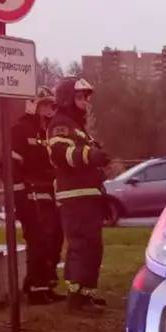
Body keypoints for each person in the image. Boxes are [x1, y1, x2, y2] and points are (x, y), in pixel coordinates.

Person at [47, 77, 111, 313]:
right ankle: (76, 298)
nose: (85, 101)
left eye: (86, 97)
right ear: (67, 98)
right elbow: (60, 153)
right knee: (81, 246)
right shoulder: (60, 124)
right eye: (80, 96)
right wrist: (89, 155)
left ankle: (86, 294)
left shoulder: (76, 126)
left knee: (92, 246)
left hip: (88, 195)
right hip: (75, 196)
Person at [10, 86, 64, 305]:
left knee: (54, 239)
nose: (49, 110)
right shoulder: (21, 130)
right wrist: (19, 194)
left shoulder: (48, 132)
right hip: (30, 194)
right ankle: (35, 288)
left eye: (51, 105)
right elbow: (11, 165)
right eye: (44, 105)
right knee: (38, 241)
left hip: (49, 193)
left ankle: (46, 284)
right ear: (33, 105)